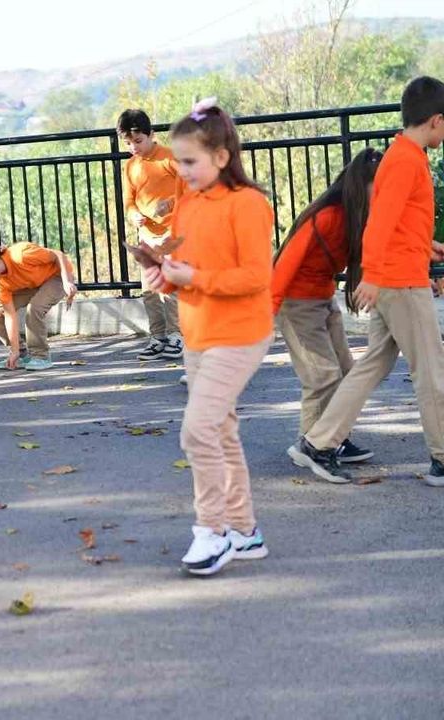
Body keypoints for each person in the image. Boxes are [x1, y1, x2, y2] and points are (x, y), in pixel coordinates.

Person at [289, 76, 444, 485]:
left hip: (399, 275)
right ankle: (442, 458)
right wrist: (373, 276)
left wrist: (425, 245)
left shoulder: (405, 156)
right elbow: (378, 226)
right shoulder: (405, 159)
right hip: (400, 283)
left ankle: (318, 442)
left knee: (372, 366)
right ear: (436, 121)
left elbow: (397, 221)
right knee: (432, 370)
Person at [144, 98, 274, 577]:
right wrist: (164, 274)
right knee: (220, 431)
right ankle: (245, 531)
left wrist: (192, 276)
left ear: (222, 157)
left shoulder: (249, 204)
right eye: (178, 160)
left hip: (239, 334)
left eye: (190, 161)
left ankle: (212, 532)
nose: (182, 170)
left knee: (197, 430)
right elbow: (185, 260)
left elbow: (256, 277)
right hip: (197, 331)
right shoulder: (188, 203)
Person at [272, 149, 382, 464]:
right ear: (361, 186)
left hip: (323, 299)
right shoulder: (327, 216)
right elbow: (285, 264)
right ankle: (310, 446)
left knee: (347, 372)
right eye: (380, 185)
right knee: (322, 375)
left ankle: (333, 438)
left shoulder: (359, 217)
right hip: (296, 303)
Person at [119, 108, 184, 362]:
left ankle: (177, 335)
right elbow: (128, 200)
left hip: (172, 231)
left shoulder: (169, 157)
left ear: (151, 135)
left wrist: (169, 203)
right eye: (128, 143)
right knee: (149, 289)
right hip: (146, 233)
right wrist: (132, 213)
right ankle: (158, 337)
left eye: (138, 141)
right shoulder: (130, 166)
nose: (134, 147)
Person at [0, 242, 78, 371]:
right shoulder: (0, 282)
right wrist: (15, 350)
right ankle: (22, 354)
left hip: (57, 278)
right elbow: (10, 315)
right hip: (35, 285)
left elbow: (58, 255)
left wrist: (67, 281)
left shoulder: (20, 255)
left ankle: (40, 356)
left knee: (35, 307)